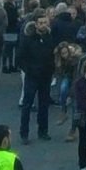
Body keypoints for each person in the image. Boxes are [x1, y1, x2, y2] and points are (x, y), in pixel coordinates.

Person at [18, 10, 55, 143]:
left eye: (45, 22)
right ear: (36, 24)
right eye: (41, 23)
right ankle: (24, 133)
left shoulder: (50, 37)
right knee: (27, 105)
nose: (43, 25)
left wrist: (52, 69)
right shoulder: (28, 38)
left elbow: (53, 55)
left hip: (46, 76)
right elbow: (21, 57)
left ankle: (43, 131)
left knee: (44, 105)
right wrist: (28, 70)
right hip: (32, 76)